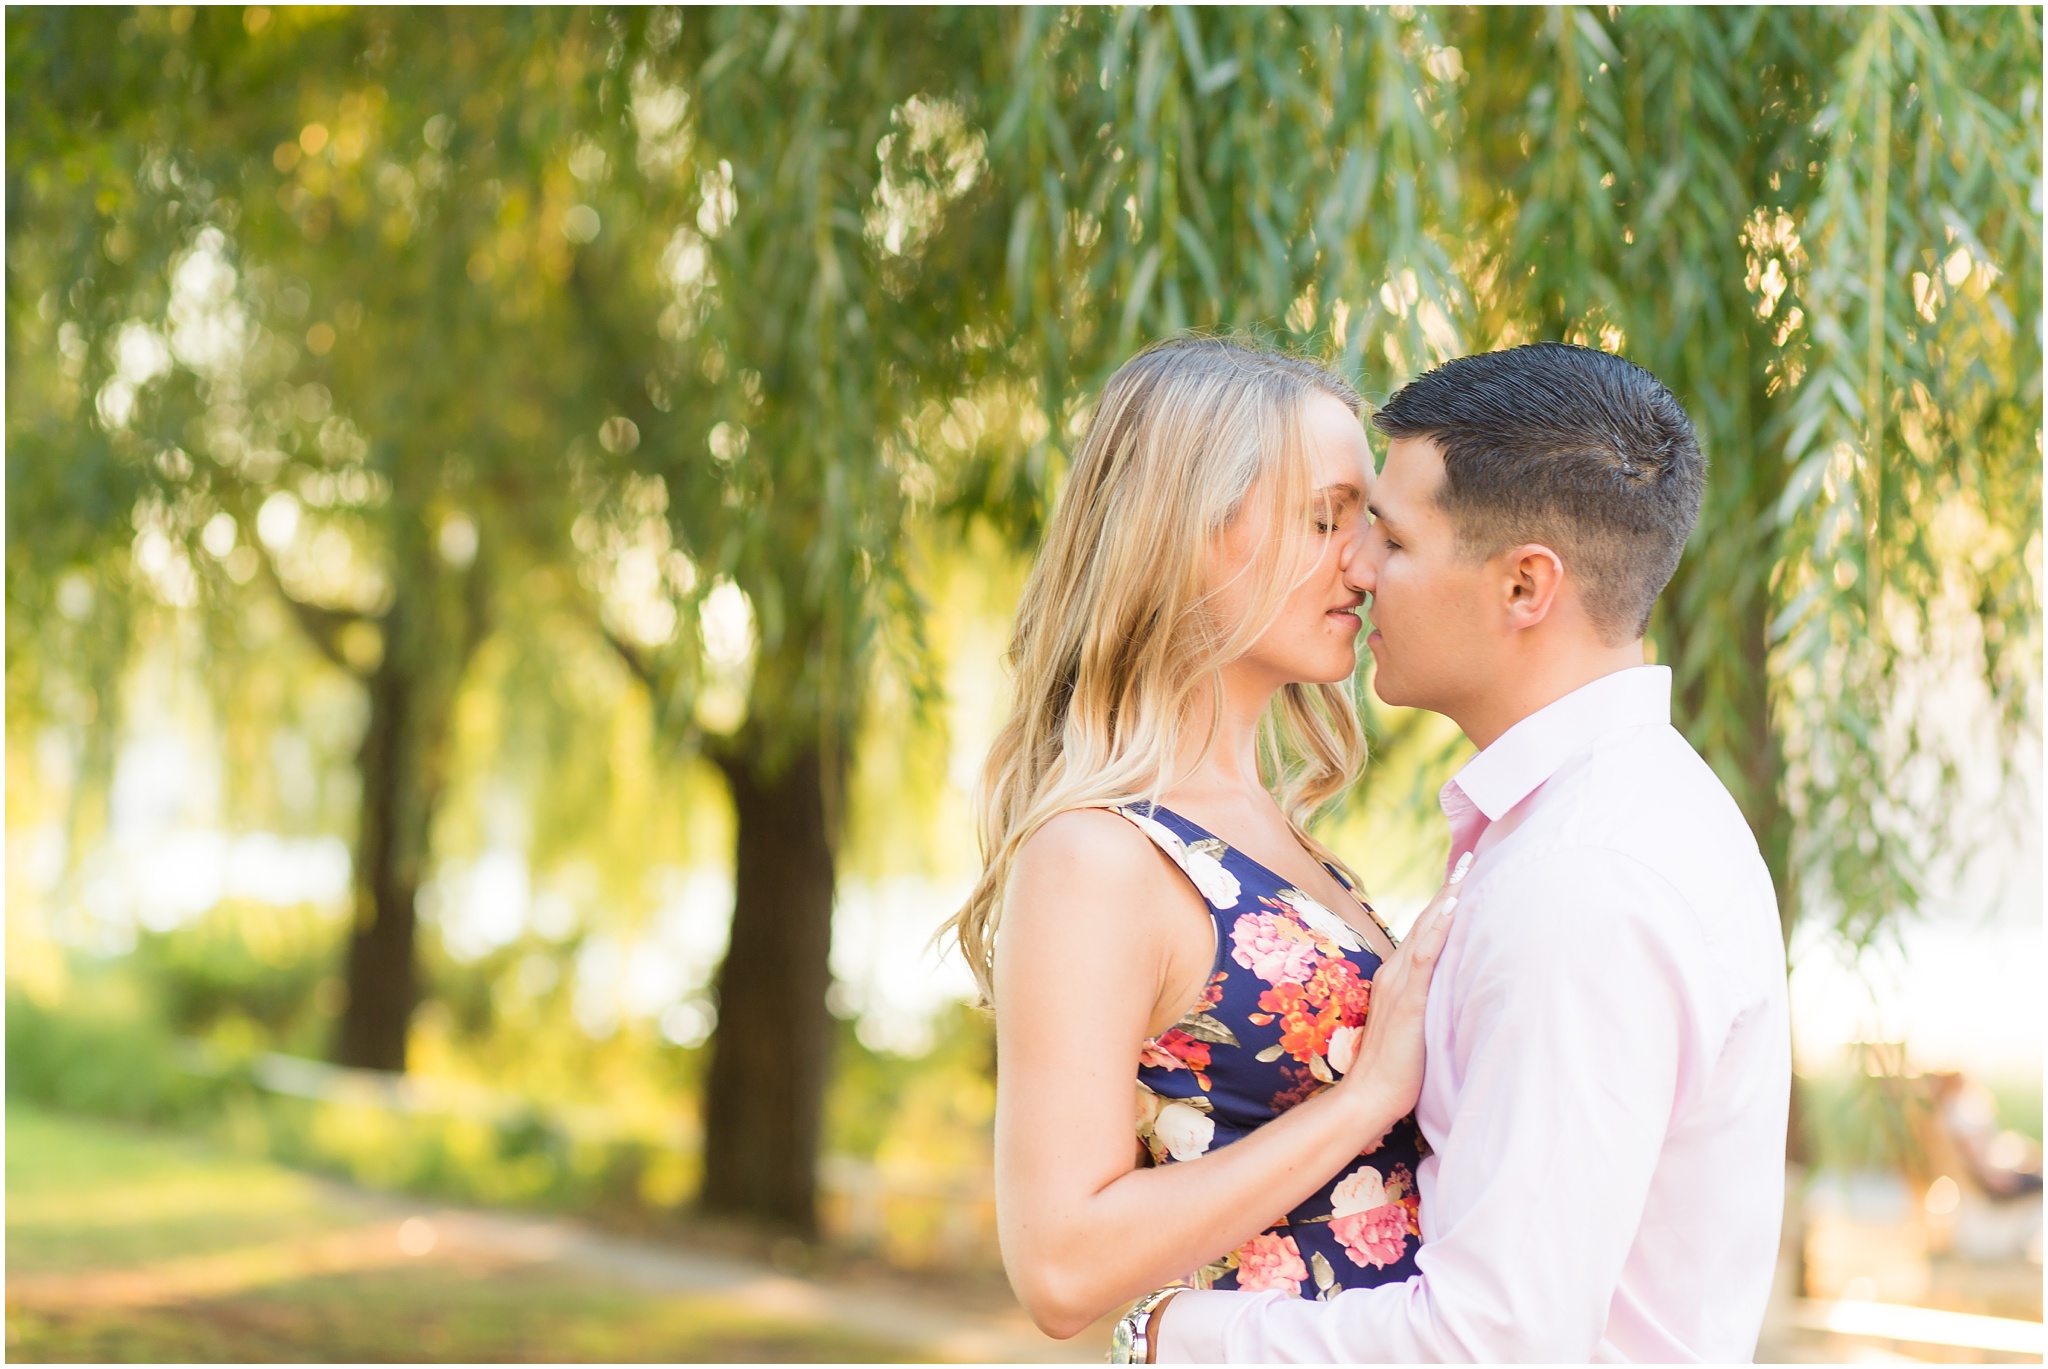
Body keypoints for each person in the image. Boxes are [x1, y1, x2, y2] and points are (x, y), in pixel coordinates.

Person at [1150, 342, 1793, 1361]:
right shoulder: (1590, 824)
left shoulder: (1584, 880)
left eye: (1392, 540)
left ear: (1523, 587)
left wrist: (1172, 1337)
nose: (1352, 567)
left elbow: (1491, 1343)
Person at [947, 337, 1466, 1348]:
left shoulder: (1278, 838)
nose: (1360, 561)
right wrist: (1362, 1099)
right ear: (1183, 531)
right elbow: (1059, 1264)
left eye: (1366, 523)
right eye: (1324, 518)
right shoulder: (1095, 857)